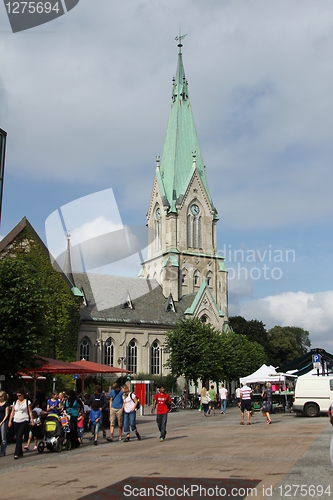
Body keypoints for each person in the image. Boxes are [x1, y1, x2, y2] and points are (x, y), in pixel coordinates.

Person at [8, 388, 34, 459]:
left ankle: (16, 453)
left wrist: (32, 420)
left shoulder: (27, 402)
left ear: (23, 395)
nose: (18, 397)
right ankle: (20, 452)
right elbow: (12, 412)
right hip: (16, 420)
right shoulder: (15, 402)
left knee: (19, 436)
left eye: (19, 395)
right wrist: (10, 421)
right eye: (17, 396)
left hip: (24, 420)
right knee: (17, 436)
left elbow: (30, 411)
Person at [0, 391, 10, 457]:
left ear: (3, 397)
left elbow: (6, 415)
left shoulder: (6, 404)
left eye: (0, 396)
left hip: (3, 421)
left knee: (3, 437)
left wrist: (2, 422)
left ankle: (3, 451)